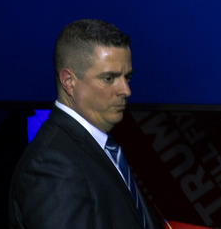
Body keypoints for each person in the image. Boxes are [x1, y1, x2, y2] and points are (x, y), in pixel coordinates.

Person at [9, 19, 158, 229]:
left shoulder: (99, 146)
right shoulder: (52, 164)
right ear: (69, 82)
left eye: (127, 77)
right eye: (109, 78)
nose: (126, 90)